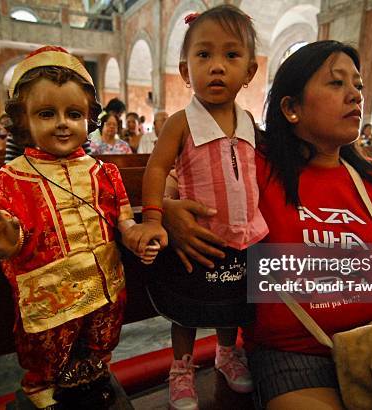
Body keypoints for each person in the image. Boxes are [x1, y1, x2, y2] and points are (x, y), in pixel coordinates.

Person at [161, 40, 372, 410]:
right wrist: (166, 208)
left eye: (358, 85)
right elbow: (183, 172)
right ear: (290, 108)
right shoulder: (258, 164)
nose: (355, 96)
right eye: (336, 84)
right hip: (293, 352)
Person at [0, 46, 158, 409]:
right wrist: (4, 242)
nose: (62, 122)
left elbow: (124, 222)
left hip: (104, 279)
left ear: (88, 118)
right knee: (47, 342)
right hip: (49, 289)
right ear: (24, 121)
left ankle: (94, 370)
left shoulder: (105, 174)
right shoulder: (7, 181)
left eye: (73, 113)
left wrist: (136, 236)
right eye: (47, 113)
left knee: (102, 333)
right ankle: (41, 388)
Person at [128, 6, 267, 409]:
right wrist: (155, 216)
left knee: (231, 304)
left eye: (231, 56)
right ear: (185, 71)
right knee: (186, 309)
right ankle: (182, 368)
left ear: (250, 72)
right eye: (204, 55)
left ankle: (226, 354)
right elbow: (157, 168)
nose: (217, 67)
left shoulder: (248, 122)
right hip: (196, 236)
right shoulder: (180, 122)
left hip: (241, 238)